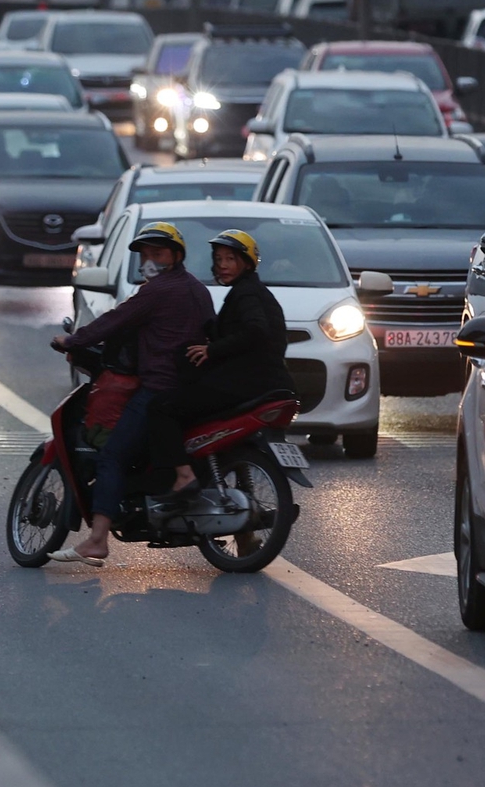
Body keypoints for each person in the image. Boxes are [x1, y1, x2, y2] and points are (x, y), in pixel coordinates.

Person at [46, 221, 213, 563]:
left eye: (159, 253)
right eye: (146, 254)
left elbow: (115, 320)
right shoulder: (198, 289)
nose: (150, 260)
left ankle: (96, 540)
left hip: (159, 386)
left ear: (176, 256)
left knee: (112, 457)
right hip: (194, 387)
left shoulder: (158, 290)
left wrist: (73, 340)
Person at [148, 228, 297, 506]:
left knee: (160, 408)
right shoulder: (248, 292)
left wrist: (212, 349)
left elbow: (256, 332)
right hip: (267, 382)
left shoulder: (247, 294)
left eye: (231, 259)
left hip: (245, 383)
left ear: (247, 263)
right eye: (219, 259)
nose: (223, 265)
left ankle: (183, 475)